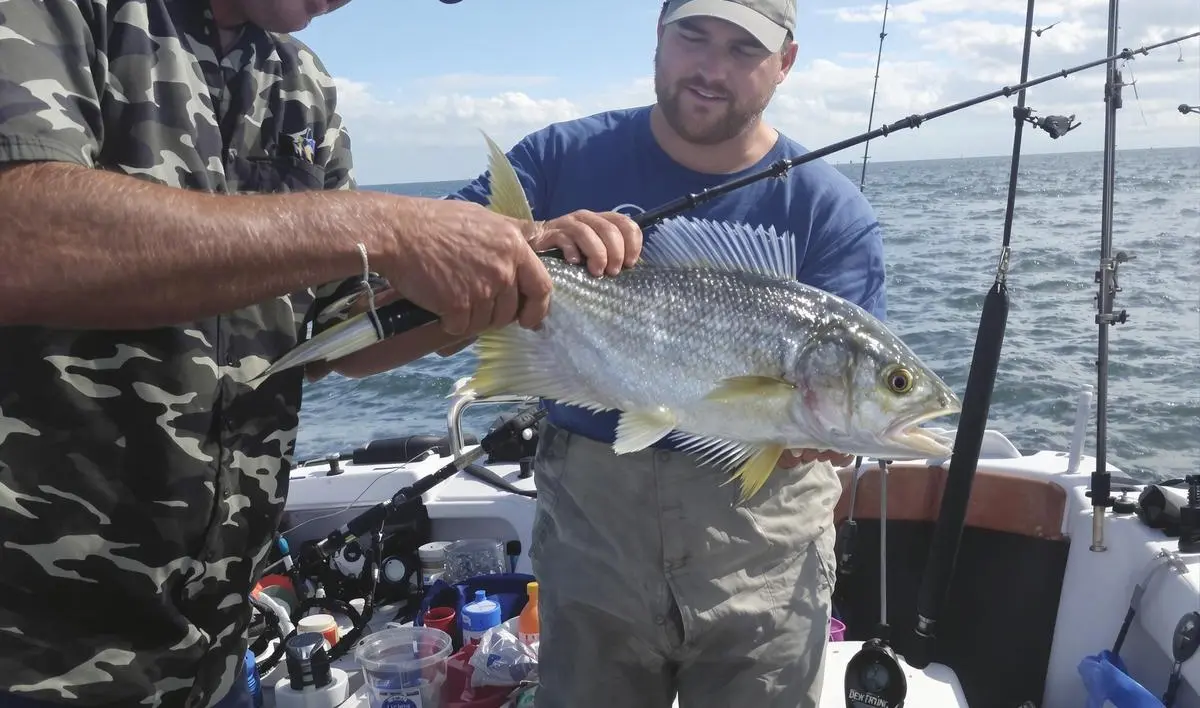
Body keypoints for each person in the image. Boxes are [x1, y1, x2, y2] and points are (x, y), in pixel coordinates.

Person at [0, 1, 639, 706]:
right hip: (31, 646)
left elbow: (337, 339)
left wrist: (493, 287)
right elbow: (20, 234)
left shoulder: (299, 83)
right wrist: (385, 223)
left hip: (209, 648)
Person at [449, 1, 888, 706]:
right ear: (658, 38)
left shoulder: (829, 210)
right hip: (592, 531)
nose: (712, 69)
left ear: (786, 63)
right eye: (694, 36)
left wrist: (825, 433)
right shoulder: (555, 161)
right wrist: (521, 250)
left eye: (745, 49)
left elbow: (836, 401)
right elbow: (425, 269)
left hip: (764, 548)